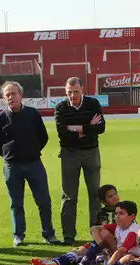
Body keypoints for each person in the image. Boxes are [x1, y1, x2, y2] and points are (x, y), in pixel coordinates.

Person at [0, 81, 60, 247]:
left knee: (44, 201)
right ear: (4, 98)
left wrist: (31, 151)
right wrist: (10, 155)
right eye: (7, 95)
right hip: (12, 167)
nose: (11, 97)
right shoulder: (1, 118)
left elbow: (43, 137)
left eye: (13, 94)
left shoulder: (33, 114)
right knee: (16, 204)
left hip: (34, 164)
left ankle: (49, 234)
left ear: (21, 95)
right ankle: (18, 236)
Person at [54, 77, 106, 244]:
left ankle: (95, 234)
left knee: (95, 195)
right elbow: (62, 133)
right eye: (69, 92)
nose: (72, 96)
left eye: (76, 92)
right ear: (65, 91)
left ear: (82, 89)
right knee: (69, 196)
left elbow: (101, 128)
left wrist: (74, 128)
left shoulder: (93, 103)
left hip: (91, 153)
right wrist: (88, 127)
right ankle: (68, 236)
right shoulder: (61, 107)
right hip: (69, 154)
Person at [30, 184, 120, 265]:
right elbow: (96, 230)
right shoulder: (101, 213)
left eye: (115, 194)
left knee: (87, 250)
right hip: (102, 244)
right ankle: (57, 262)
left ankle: (65, 261)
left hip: (119, 245)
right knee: (81, 249)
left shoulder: (124, 209)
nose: (114, 197)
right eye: (110, 196)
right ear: (103, 201)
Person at [68, 200, 140, 265]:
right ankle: (85, 262)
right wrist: (101, 245)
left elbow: (120, 251)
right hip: (119, 256)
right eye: (116, 213)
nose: (117, 216)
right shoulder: (118, 226)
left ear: (132, 217)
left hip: (135, 262)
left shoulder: (133, 232)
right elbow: (94, 228)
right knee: (102, 233)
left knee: (127, 258)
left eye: (121, 213)